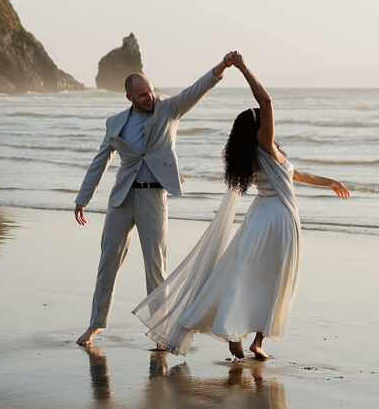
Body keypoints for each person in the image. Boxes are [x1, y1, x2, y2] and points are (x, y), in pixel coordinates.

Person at [134, 52, 349, 359]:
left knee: (246, 274)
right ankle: (247, 338)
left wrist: (329, 181)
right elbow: (267, 102)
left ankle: (246, 338)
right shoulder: (264, 143)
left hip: (262, 216)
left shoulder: (262, 152)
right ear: (259, 127)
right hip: (279, 218)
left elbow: (296, 174)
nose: (270, 123)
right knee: (273, 278)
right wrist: (245, 69)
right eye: (264, 122)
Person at [75, 52, 237, 347]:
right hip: (121, 199)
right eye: (142, 95)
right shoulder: (114, 124)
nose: (149, 98)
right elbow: (100, 161)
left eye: (150, 92)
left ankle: (161, 331)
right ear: (129, 97)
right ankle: (95, 325)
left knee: (156, 267)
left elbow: (196, 89)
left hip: (153, 196)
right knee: (107, 262)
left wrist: (221, 67)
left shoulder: (168, 110)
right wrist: (82, 198)